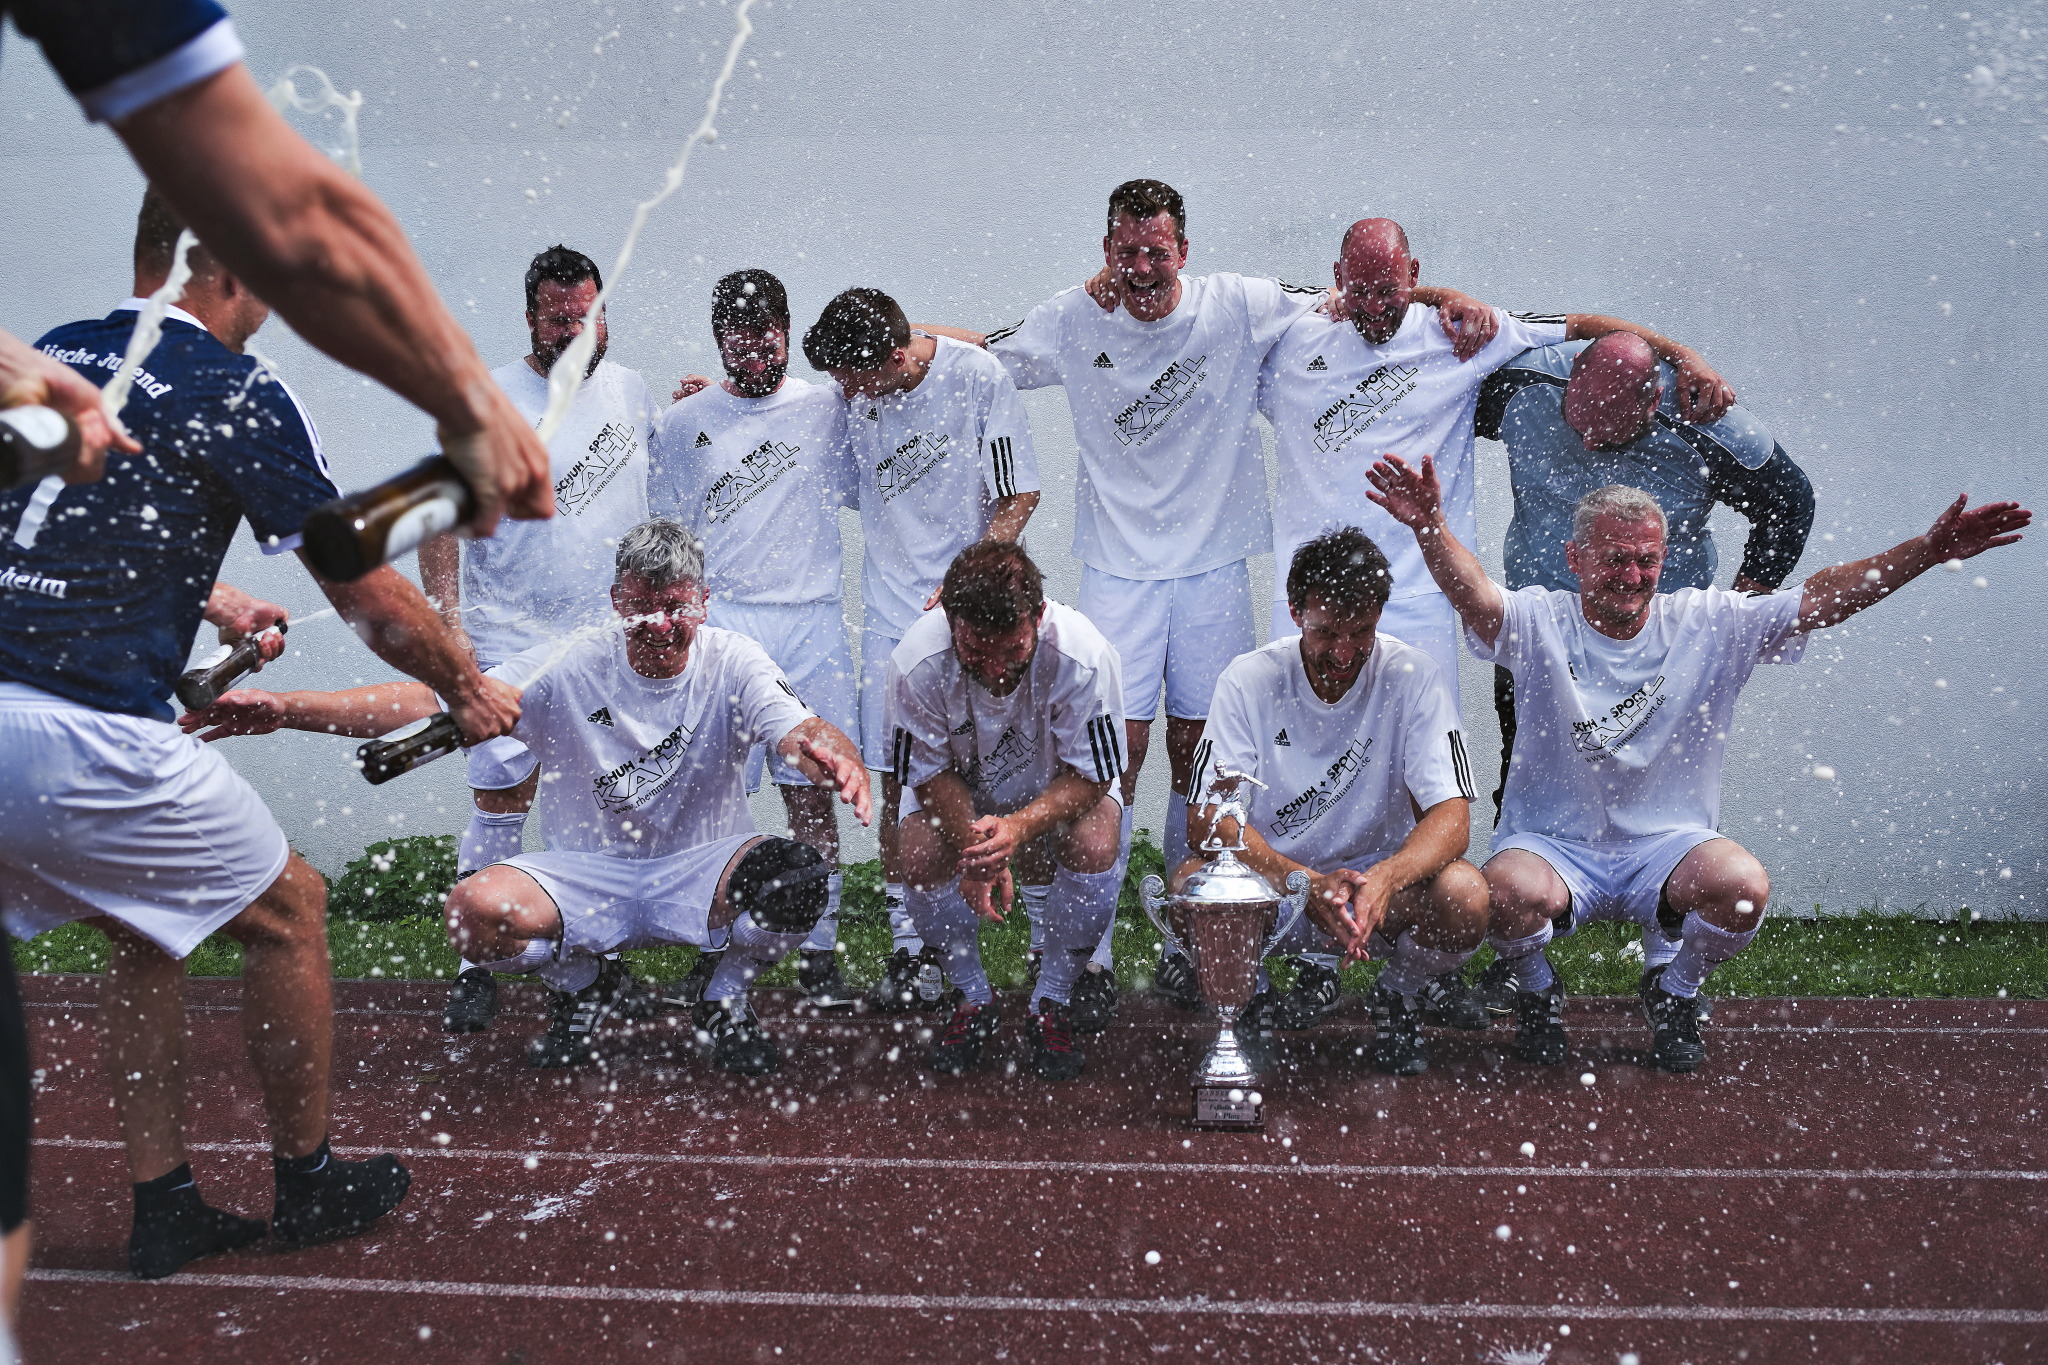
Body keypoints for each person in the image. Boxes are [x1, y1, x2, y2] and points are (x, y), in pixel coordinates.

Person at [0, 190, 519, 1281]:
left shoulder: (53, 350)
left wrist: (213, 597)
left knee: (145, 926)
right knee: (291, 911)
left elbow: (56, 525)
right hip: (89, 735)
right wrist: (465, 686)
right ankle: (309, 1180)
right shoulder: (238, 387)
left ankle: (166, 1206)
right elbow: (363, 585)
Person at [931, 181, 1489, 1011]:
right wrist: (891, 342)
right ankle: (1089, 960)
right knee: (1108, 759)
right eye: (1127, 252)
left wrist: (1450, 299)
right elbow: (980, 352)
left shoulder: (1242, 304)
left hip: (1215, 571)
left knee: (1200, 760)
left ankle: (1185, 940)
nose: (1142, 268)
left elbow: (1362, 292)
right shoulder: (1073, 316)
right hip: (1117, 570)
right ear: (1106, 252)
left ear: (1183, 252)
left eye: (1157, 252)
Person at [1367, 455, 2028, 1071]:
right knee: (1504, 891)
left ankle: (1673, 991)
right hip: (1554, 846)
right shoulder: (1541, 620)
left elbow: (1818, 599)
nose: (1632, 576)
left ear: (1665, 559)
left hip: (1670, 846)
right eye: (1615, 559)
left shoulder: (1710, 621)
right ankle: (1539, 992)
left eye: (1647, 560)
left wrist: (1926, 551)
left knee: (1744, 887)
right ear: (1576, 558)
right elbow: (1476, 596)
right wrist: (1429, 528)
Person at [1254, 217, 1741, 1030]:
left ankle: (1417, 963)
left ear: (1414, 273)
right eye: (1359, 287)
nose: (1374, 304)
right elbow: (1191, 318)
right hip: (1307, 599)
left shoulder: (1460, 336)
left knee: (1419, 783)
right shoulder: (1294, 329)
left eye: (1391, 287)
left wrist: (1682, 355)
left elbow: (1584, 327)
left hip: (1419, 599)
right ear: (1336, 275)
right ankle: (1310, 956)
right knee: (1306, 771)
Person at [185, 520, 872, 1076]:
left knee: (796, 880)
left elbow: (801, 730)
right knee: (473, 917)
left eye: (676, 607)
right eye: (642, 607)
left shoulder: (735, 658)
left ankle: (723, 999)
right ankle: (585, 987)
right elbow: (430, 702)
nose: (661, 624)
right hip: (590, 873)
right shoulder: (570, 661)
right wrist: (287, 708)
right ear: (617, 601)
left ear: (703, 599)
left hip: (701, 866)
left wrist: (832, 754)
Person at [3, 0, 551, 524]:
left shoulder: (57, 345)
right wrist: (475, 406)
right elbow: (291, 218)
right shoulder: (237, 390)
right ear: (232, 272)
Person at [420, 245, 657, 1034]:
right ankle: (476, 962)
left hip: (605, 643)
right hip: (507, 636)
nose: (576, 332)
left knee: (599, 802)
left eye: (589, 316)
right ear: (530, 318)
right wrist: (449, 625)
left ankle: (585, 965)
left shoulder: (631, 391)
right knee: (500, 797)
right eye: (560, 319)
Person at [799, 289, 1045, 1018]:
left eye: (854, 377)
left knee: (1014, 775)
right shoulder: (856, 391)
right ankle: (914, 950)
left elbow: (1020, 494)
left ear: (893, 356)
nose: (845, 393)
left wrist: (969, 577)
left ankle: (1052, 951)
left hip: (972, 611)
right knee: (901, 779)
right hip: (888, 615)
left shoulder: (976, 378)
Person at [1180, 528, 1490, 1073]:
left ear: (1379, 616)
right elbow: (1207, 818)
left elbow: (1453, 818)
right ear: (1296, 613)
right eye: (1326, 632)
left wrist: (1387, 877)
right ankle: (1250, 1000)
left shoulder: (1414, 675)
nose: (1344, 653)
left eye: (1361, 631)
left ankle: (1399, 993)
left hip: (1373, 889)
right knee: (1191, 888)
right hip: (1274, 886)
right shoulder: (1248, 679)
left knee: (1465, 894)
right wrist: (1302, 881)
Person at [1475, 330, 1815, 812]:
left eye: (1608, 433)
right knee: (1526, 791)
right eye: (1579, 422)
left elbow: (1790, 502)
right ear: (1573, 374)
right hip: (1541, 633)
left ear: (1654, 401)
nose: (1589, 442)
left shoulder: (1707, 422)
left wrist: (1739, 613)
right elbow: (1428, 394)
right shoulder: (1522, 381)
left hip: (1657, 646)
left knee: (1662, 799)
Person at [652, 269, 861, 1009]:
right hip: (727, 623)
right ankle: (711, 948)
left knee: (814, 791)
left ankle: (820, 951)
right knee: (713, 798)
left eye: (767, 337)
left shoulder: (828, 407)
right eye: (739, 340)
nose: (755, 353)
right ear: (719, 340)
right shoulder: (685, 421)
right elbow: (668, 528)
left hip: (812, 619)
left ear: (786, 332)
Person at [887, 541, 1126, 1081]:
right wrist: (979, 849)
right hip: (959, 791)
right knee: (919, 851)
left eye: (1012, 651)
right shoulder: (914, 662)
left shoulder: (1085, 654)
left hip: (1056, 785)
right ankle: (971, 997)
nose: (996, 669)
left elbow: (1093, 775)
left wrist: (1017, 828)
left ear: (1038, 617)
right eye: (976, 652)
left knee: (1096, 839)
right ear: (950, 621)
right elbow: (927, 775)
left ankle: (1053, 999)